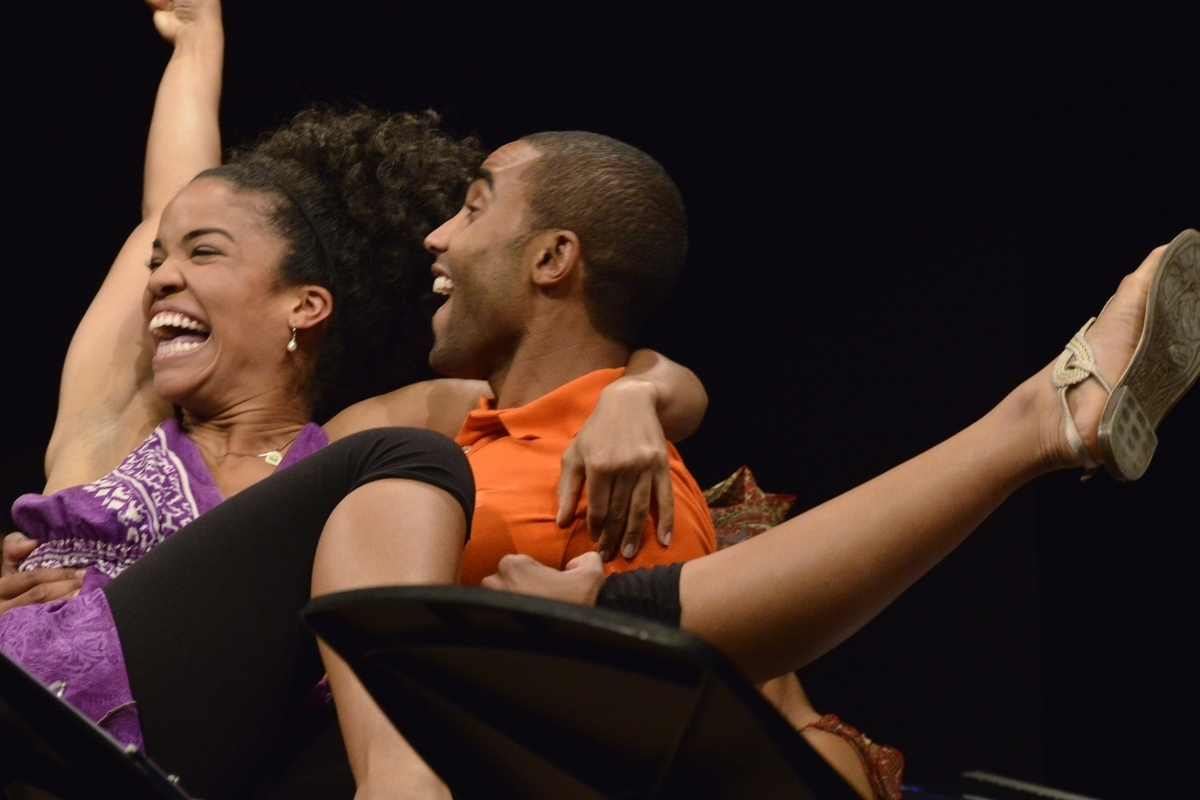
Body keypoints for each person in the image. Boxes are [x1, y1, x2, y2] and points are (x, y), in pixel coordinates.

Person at [0, 2, 704, 798]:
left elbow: (555, 376)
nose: (163, 277)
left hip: (188, 771)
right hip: (38, 715)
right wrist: (197, 43)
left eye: (205, 253)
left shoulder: (344, 449)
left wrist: (639, 393)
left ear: (305, 306)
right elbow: (166, 206)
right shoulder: (114, 426)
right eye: (161, 259)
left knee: (413, 478)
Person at [414, 132, 1200, 793]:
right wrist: (643, 389)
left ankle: (1038, 423)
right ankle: (1038, 422)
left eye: (473, 207)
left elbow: (688, 746)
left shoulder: (620, 479)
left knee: (645, 648)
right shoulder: (424, 433)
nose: (436, 236)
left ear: (554, 256)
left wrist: (636, 394)